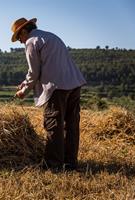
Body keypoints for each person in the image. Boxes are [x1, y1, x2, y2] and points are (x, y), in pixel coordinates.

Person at [11, 17, 86, 170]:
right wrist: (25, 83)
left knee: (54, 125)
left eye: (19, 37)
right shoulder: (51, 36)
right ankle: (70, 163)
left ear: (24, 31)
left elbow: (34, 72)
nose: (20, 41)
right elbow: (47, 66)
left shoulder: (31, 41)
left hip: (56, 87)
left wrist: (23, 91)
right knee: (71, 125)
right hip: (74, 83)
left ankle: (53, 165)